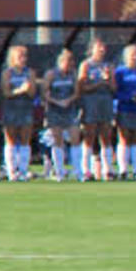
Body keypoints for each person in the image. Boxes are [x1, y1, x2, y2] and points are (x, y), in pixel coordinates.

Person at [0, 43, 40, 181]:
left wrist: (29, 89)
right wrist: (20, 90)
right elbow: (6, 92)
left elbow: (33, 92)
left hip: (25, 107)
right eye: (20, 56)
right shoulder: (7, 73)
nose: (23, 59)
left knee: (25, 139)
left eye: (24, 56)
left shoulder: (30, 72)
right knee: (10, 139)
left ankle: (23, 170)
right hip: (11, 107)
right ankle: (11, 170)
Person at [42, 46, 84, 180]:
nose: (70, 64)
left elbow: (77, 92)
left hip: (69, 109)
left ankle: (77, 170)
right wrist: (56, 101)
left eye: (71, 62)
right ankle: (59, 170)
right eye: (68, 62)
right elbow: (45, 92)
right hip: (54, 110)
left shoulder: (73, 75)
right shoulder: (51, 74)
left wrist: (68, 100)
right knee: (57, 139)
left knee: (75, 138)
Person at [78, 37, 116, 181]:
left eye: (103, 47)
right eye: (99, 47)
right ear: (92, 49)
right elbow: (82, 87)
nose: (102, 50)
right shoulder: (86, 65)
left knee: (106, 135)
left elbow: (113, 88)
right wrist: (97, 84)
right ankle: (86, 169)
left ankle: (108, 170)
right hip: (90, 101)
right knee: (89, 134)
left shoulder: (108, 65)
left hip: (105, 101)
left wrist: (107, 80)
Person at [112, 41, 136, 180]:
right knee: (124, 137)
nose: (134, 57)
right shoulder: (120, 72)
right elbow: (116, 91)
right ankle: (123, 170)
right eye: (132, 55)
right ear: (126, 57)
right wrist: (129, 97)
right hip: (125, 108)